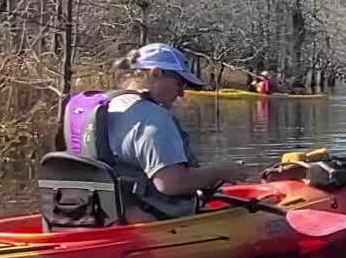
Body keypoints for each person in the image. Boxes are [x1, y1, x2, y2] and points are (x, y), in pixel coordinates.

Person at [104, 43, 249, 220]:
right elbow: (171, 184)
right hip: (152, 222)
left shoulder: (104, 105)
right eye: (179, 83)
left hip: (97, 216)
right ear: (156, 73)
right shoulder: (154, 118)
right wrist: (221, 171)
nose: (181, 93)